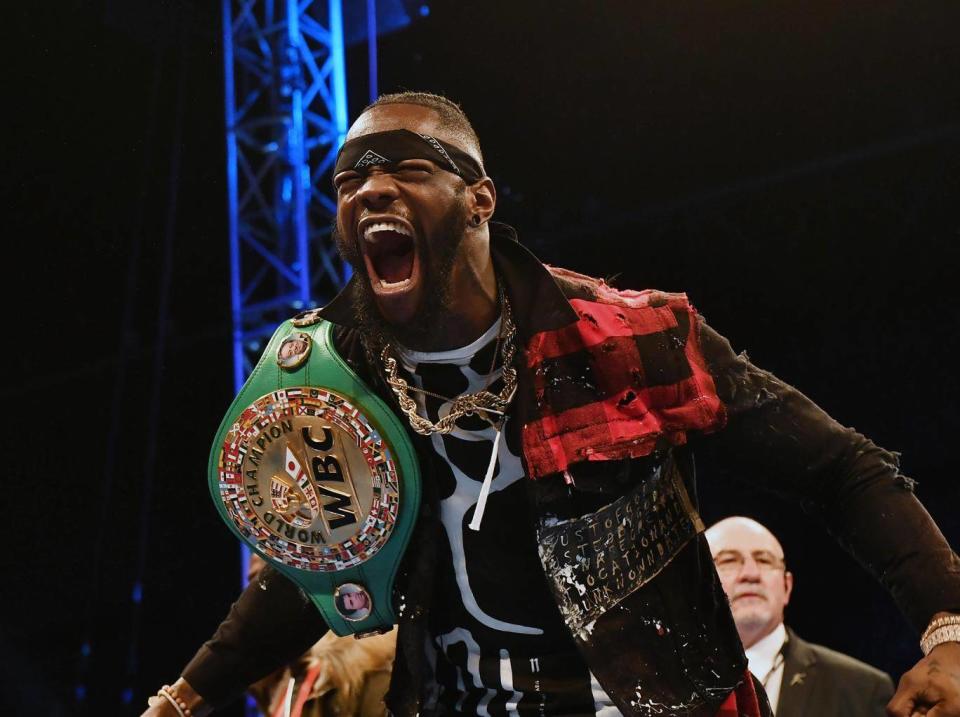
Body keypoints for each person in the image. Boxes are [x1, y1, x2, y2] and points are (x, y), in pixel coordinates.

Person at [142, 92, 960, 717]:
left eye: (407, 167)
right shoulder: (338, 371)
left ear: (480, 199)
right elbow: (314, 566)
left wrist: (948, 632)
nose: (370, 189)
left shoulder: (626, 336)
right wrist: (183, 698)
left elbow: (841, 467)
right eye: (350, 178)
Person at [705, 516, 894, 715]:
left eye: (764, 560)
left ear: (787, 587)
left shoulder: (863, 689)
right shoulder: (670, 686)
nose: (751, 574)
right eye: (728, 560)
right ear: (697, 587)